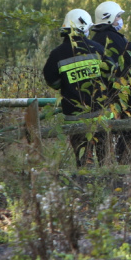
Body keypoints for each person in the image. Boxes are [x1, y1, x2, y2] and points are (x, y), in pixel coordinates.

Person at [43, 9, 121, 164]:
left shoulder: (57, 54)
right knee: (105, 159)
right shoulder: (97, 49)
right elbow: (113, 75)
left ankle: (84, 183)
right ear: (85, 28)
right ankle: (108, 185)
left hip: (74, 118)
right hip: (101, 115)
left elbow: (53, 81)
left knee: (83, 161)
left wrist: (67, 83)